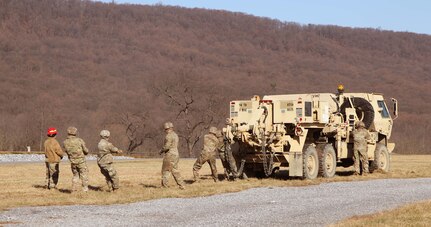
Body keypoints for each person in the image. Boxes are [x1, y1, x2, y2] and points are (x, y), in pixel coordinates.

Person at [159, 122, 185, 190]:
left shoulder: (168, 136)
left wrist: (161, 151)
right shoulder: (175, 135)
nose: (165, 130)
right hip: (176, 154)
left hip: (169, 155)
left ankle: (164, 186)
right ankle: (182, 185)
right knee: (175, 170)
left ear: (167, 128)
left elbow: (167, 146)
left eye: (166, 129)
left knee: (165, 170)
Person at [63, 126, 90, 192]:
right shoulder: (79, 140)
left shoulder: (65, 142)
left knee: (75, 175)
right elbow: (86, 151)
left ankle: (74, 189)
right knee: (84, 175)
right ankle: (85, 190)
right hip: (81, 161)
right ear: (75, 132)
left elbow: (66, 151)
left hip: (72, 162)